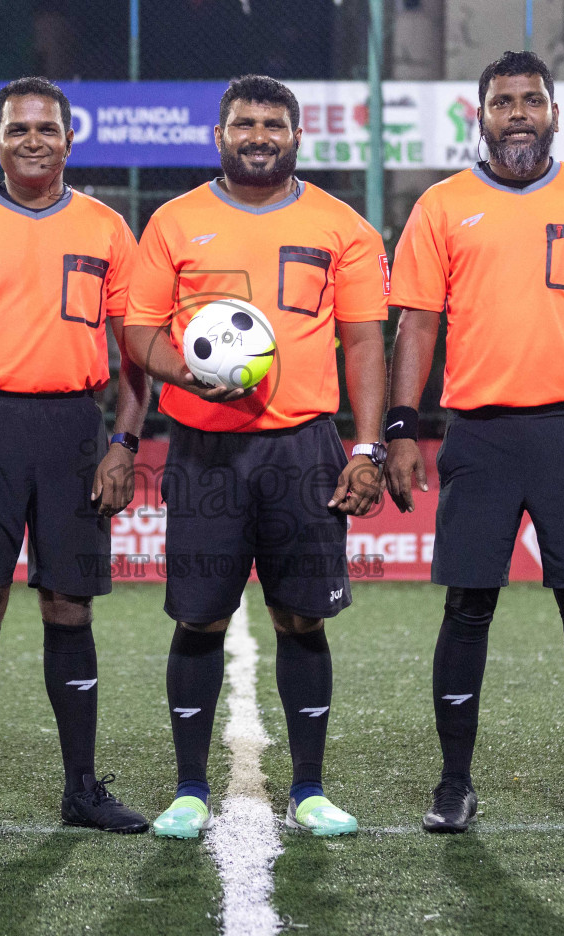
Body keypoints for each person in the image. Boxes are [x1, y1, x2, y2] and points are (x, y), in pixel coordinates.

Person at [385, 50, 564, 836]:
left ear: (554, 115)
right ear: (481, 115)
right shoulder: (440, 206)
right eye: (503, 102)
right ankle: (454, 783)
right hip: (480, 433)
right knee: (467, 606)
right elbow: (418, 324)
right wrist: (403, 425)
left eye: (532, 100)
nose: (518, 114)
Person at [124, 74, 390, 840]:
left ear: (296, 135)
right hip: (204, 449)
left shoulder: (342, 225)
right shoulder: (174, 222)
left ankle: (308, 788)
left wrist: (367, 448)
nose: (259, 134)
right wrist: (187, 370)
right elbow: (138, 335)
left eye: (274, 122)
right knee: (200, 617)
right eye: (244, 122)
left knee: (301, 616)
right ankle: (188, 789)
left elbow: (367, 341)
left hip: (303, 447)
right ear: (220, 135)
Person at [0, 76, 151, 840]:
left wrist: (123, 443)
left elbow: (136, 350)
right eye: (18, 130)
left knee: (68, 605)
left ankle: (82, 788)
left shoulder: (108, 227)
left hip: (75, 429)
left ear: (70, 139)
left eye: (47, 128)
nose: (33, 141)